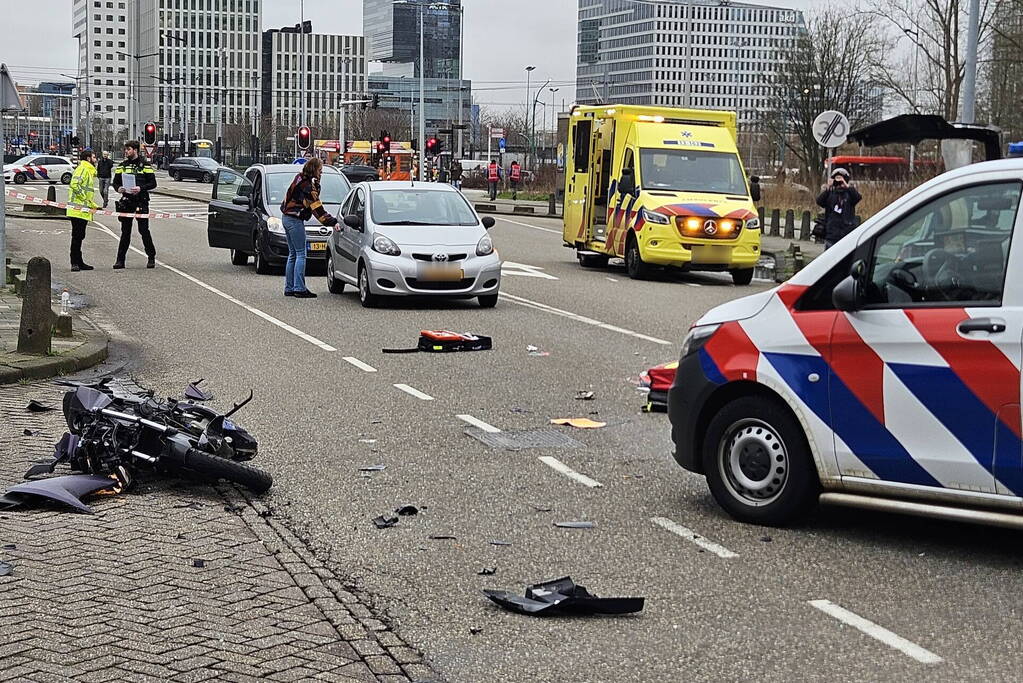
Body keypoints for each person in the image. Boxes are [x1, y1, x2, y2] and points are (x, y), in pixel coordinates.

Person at [280, 157, 338, 298]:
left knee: (292, 254)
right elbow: (318, 210)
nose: (321, 173)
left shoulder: (299, 178)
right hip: (295, 219)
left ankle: (289, 287)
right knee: (301, 253)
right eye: (320, 170)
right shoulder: (307, 186)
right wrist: (333, 221)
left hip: (286, 217)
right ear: (314, 170)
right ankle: (299, 288)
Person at [112, 140, 158, 269]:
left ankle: (151, 257)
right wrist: (119, 188)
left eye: (129, 149)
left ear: (136, 150)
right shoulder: (122, 165)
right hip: (127, 201)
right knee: (125, 232)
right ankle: (120, 260)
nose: (126, 152)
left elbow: (153, 183)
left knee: (143, 230)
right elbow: (115, 182)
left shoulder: (145, 165)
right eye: (125, 150)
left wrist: (141, 188)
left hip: (141, 201)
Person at [66, 149, 98, 272]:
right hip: (77, 209)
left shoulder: (87, 171)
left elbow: (87, 191)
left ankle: (79, 262)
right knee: (77, 236)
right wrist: (84, 200)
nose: (96, 160)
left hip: (82, 209)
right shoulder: (83, 169)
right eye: (94, 157)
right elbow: (74, 185)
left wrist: (92, 204)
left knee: (80, 236)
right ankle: (74, 262)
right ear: (89, 159)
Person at [816, 167, 861, 250]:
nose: (839, 183)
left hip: (846, 233)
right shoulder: (830, 193)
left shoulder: (849, 194)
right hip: (831, 233)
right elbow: (819, 201)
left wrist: (847, 186)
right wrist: (828, 188)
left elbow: (857, 198)